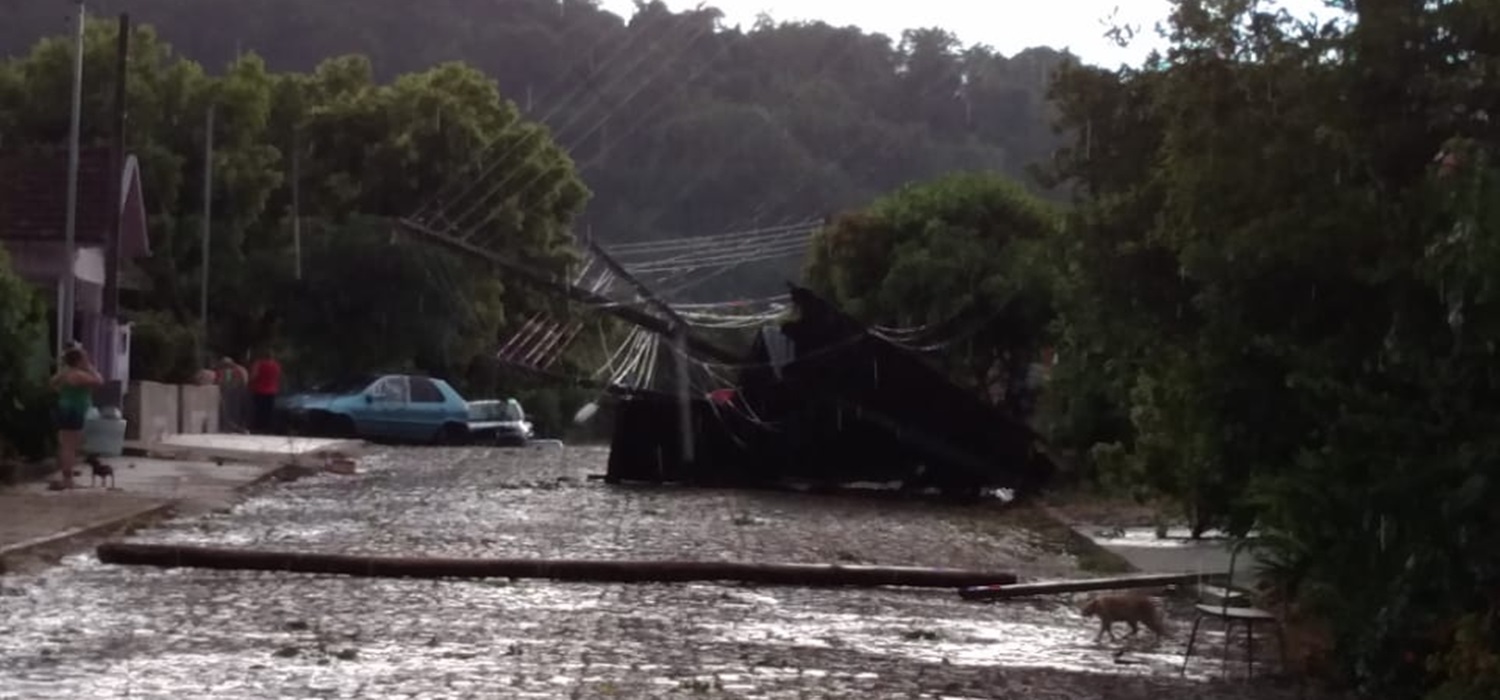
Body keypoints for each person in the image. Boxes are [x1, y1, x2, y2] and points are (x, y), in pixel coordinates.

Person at [50, 345, 103, 491]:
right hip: (75, 410)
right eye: (84, 358)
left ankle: (66, 476)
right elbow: (99, 381)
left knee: (65, 444)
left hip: (64, 407)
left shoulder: (65, 373)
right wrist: (90, 367)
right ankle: (68, 480)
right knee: (70, 446)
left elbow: (52, 382)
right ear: (79, 360)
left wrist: (62, 392)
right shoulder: (78, 375)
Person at [248, 348, 282, 434]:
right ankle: (268, 428)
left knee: (259, 410)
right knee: (269, 410)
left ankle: (259, 427)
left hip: (260, 390)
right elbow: (277, 377)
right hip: (272, 391)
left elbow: (254, 376)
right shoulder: (276, 365)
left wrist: (249, 383)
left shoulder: (259, 364)